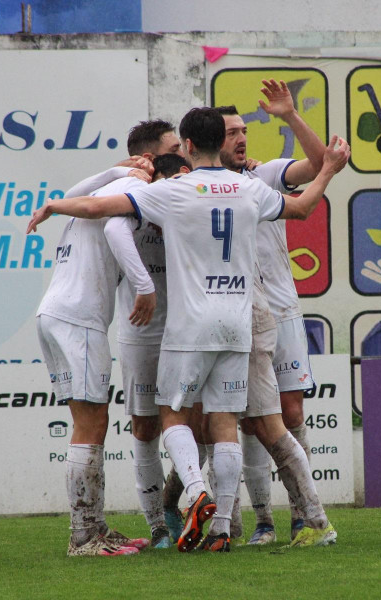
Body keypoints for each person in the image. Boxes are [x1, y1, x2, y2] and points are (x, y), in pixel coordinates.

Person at [27, 107, 350, 552]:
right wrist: (329, 170)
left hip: (190, 324)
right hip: (240, 321)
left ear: (190, 148)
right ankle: (225, 528)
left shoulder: (175, 190)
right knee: (226, 423)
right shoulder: (248, 187)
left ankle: (195, 495)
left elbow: (101, 208)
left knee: (173, 416)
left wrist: (53, 205)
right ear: (222, 141)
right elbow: (303, 206)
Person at [35, 120, 180, 558]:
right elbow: (117, 230)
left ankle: (95, 528)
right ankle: (84, 537)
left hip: (58, 312)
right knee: (91, 423)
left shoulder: (112, 182)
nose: (182, 158)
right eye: (174, 150)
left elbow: (72, 195)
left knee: (90, 419)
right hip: (79, 318)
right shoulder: (134, 185)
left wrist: (115, 169)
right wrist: (144, 286)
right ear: (150, 159)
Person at [218, 80, 327, 544]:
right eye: (230, 133)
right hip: (232, 313)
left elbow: (321, 164)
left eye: (244, 130)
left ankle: (302, 515)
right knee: (248, 418)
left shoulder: (263, 177)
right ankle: (263, 520)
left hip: (280, 311)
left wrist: (290, 116)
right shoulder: (198, 186)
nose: (242, 138)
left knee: (289, 409)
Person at [107, 153, 190, 550]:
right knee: (144, 428)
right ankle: (157, 525)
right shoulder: (129, 205)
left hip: (187, 334)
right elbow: (102, 218)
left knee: (202, 428)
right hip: (140, 334)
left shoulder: (190, 201)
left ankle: (176, 502)